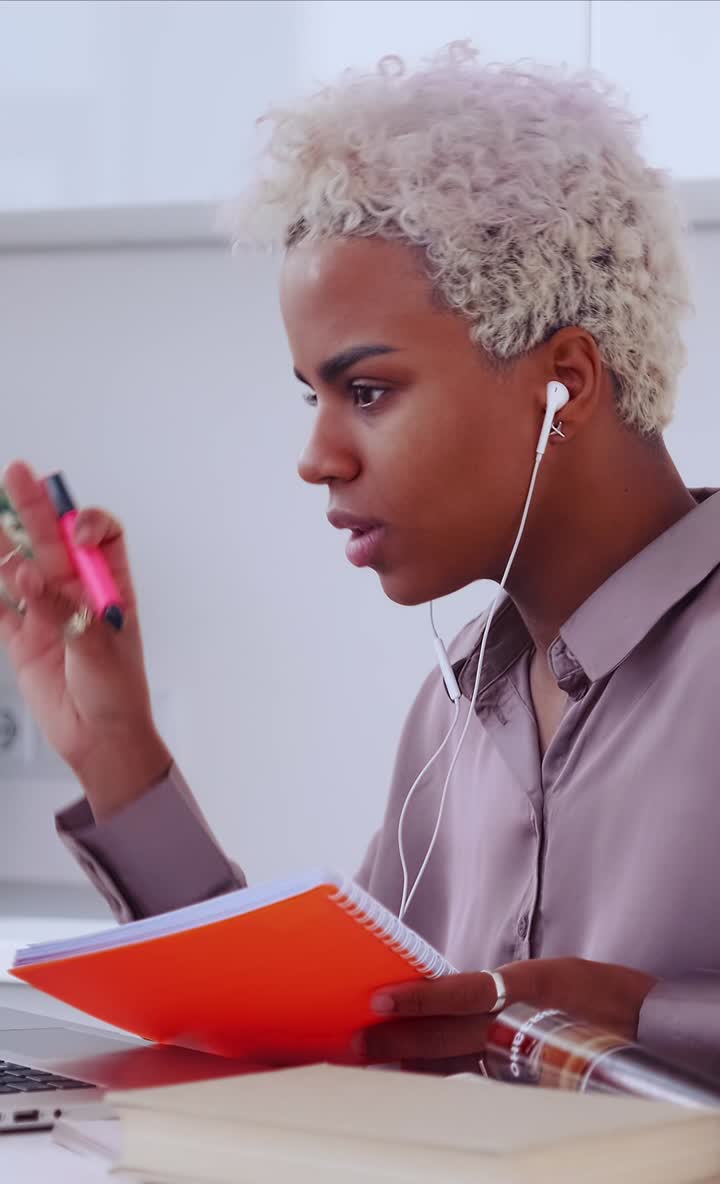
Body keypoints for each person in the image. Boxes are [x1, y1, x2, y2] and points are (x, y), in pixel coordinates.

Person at [1, 44, 718, 1078]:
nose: (317, 456)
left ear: (563, 380)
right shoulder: (460, 706)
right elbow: (322, 1028)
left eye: (368, 391)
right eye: (313, 396)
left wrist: (630, 1014)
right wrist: (117, 744)